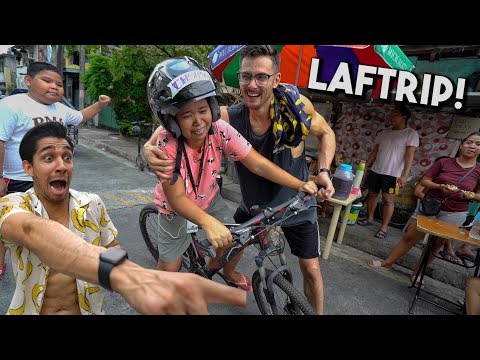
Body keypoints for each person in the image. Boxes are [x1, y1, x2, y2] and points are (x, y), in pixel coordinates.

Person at [144, 45, 336, 314]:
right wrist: (148, 147)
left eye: (261, 77)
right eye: (246, 77)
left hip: (237, 200)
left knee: (238, 243)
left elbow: (257, 162)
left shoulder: (290, 110)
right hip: (181, 207)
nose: (252, 84)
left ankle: (213, 268)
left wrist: (305, 182)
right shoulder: (225, 118)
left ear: (276, 79)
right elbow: (174, 187)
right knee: (170, 267)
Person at [0, 121, 246, 315]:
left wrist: (145, 283)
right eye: (48, 158)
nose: (62, 166)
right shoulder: (13, 205)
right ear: (28, 168)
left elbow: (112, 247)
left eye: (67, 157)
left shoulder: (91, 203)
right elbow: (31, 232)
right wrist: (126, 278)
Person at [0, 61, 112, 281]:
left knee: (51, 225)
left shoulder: (60, 109)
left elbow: (80, 117)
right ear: (29, 81)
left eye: (59, 84)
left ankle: (49, 267)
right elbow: (0, 141)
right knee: (7, 225)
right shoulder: (11, 105)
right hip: (17, 179)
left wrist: (99, 105)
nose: (55, 87)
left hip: (50, 180)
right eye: (47, 81)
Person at [367, 132, 480, 285]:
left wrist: (470, 195)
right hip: (430, 205)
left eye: (477, 144)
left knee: (436, 245)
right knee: (409, 237)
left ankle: (417, 273)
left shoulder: (478, 171)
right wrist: (439, 186)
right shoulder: (444, 163)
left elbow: (478, 196)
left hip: (455, 211)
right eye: (469, 142)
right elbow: (425, 181)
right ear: (461, 145)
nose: (472, 146)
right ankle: (387, 262)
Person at [357, 104, 419, 240]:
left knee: (387, 200)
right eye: (391, 114)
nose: (392, 117)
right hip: (376, 170)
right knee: (372, 194)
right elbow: (375, 150)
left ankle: (384, 227)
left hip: (394, 174)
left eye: (395, 114)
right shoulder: (384, 132)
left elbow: (410, 156)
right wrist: (367, 165)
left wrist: (404, 174)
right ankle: (370, 219)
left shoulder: (410, 134)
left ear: (404, 116)